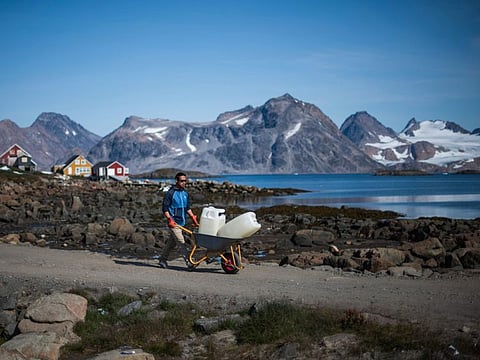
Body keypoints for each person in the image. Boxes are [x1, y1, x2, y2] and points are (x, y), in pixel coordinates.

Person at [158, 172, 199, 269]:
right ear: (176, 181)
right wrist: (169, 219)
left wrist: (193, 218)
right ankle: (189, 263)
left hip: (182, 223)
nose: (183, 183)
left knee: (171, 244)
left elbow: (187, 208)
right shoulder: (171, 193)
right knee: (181, 242)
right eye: (181, 181)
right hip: (173, 223)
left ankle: (162, 260)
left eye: (185, 181)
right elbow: (165, 208)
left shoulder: (185, 193)